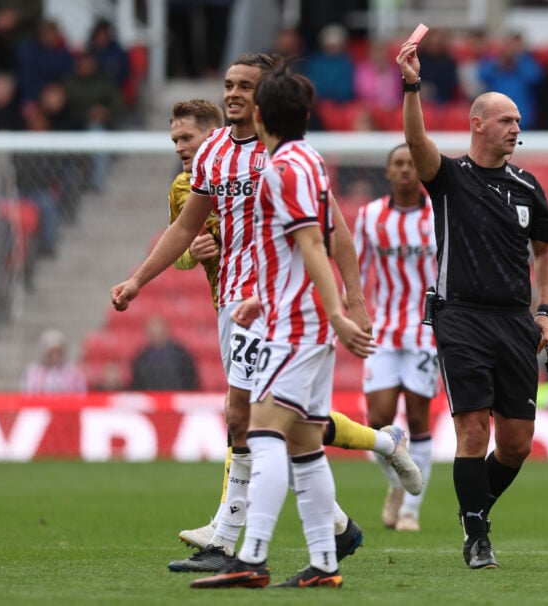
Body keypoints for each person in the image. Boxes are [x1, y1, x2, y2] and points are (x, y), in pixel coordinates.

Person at [111, 56, 418, 575]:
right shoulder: (212, 154)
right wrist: (138, 280)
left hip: (278, 308)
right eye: (228, 84)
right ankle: (340, 522)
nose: (233, 93)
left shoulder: (287, 160)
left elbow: (330, 234)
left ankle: (234, 544)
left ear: (266, 97)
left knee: (250, 420)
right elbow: (185, 229)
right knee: (290, 428)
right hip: (235, 303)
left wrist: (353, 299)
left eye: (245, 86)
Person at [190, 58, 373, 590]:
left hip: (295, 326)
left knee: (262, 431)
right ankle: (324, 564)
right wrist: (260, 299)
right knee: (306, 446)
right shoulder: (309, 160)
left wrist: (336, 312)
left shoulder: (280, 170)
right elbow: (302, 246)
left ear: (262, 115)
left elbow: (313, 244)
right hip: (294, 316)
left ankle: (250, 557)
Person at [395, 36, 548, 570]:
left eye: (518, 121)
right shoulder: (449, 178)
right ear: (477, 124)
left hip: (515, 321)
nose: (515, 128)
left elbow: (546, 249)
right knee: (472, 429)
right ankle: (476, 536)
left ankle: (474, 510)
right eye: (506, 120)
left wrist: (545, 310)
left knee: (516, 444)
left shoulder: (527, 187)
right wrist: (412, 84)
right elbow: (415, 140)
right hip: (461, 316)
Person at [353, 144, 439, 532]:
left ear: (420, 170)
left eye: (410, 163)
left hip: (426, 330)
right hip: (384, 329)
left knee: (418, 419)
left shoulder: (438, 214)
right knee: (377, 420)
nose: (405, 169)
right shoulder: (370, 215)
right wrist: (354, 313)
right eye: (398, 164)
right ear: (388, 172)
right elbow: (357, 269)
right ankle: (398, 484)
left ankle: (410, 512)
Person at [129, 314, 199, 391]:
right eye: (153, 333)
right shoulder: (141, 359)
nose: (156, 335)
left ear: (167, 330)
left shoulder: (181, 355)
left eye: (159, 332)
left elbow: (191, 382)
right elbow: (137, 386)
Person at [21, 328, 87, 393]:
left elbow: (80, 393)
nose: (55, 356)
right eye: (52, 352)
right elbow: (27, 392)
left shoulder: (74, 372)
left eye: (58, 352)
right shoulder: (33, 372)